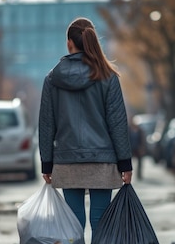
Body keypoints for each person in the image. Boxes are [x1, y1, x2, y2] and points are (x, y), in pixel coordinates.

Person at [38, 17, 133, 231]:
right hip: (103, 159)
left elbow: (46, 123)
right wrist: (125, 162)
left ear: (69, 43)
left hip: (67, 158)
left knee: (73, 221)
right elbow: (117, 122)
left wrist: (46, 162)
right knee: (100, 221)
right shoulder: (108, 77)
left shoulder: (52, 79)